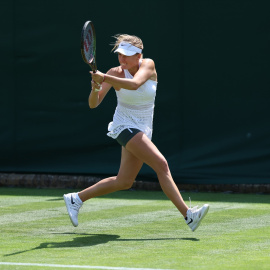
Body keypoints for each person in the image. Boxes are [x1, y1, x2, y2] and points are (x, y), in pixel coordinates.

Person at [64, 34, 209, 232]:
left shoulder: (148, 65)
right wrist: (95, 86)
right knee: (162, 164)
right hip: (124, 126)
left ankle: (76, 198)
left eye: (126, 55)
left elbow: (135, 84)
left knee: (124, 181)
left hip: (143, 128)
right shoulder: (114, 72)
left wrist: (104, 78)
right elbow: (94, 103)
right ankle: (188, 215)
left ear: (138, 55)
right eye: (120, 55)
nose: (122, 59)